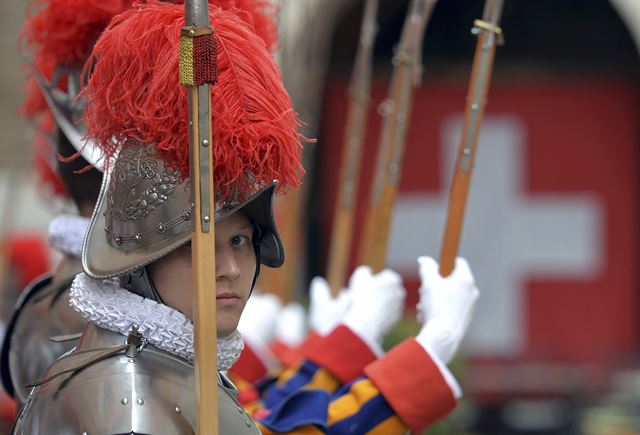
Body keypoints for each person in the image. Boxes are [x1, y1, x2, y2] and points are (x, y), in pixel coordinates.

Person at [13, 2, 479, 434]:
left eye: (240, 241)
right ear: (140, 259)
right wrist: (419, 359)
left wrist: (343, 348)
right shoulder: (122, 391)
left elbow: (266, 417)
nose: (230, 268)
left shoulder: (171, 364)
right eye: (197, 246)